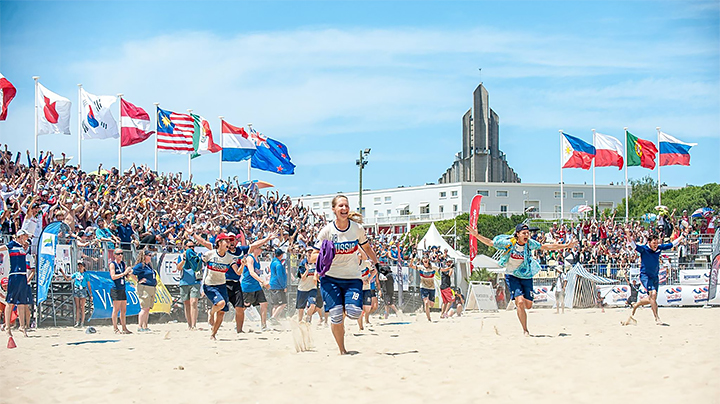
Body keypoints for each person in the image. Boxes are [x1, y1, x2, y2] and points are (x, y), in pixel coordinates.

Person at [467, 223, 577, 335]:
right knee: (519, 302)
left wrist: (566, 246)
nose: (526, 235)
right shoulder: (509, 243)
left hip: (526, 275)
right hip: (512, 275)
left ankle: (523, 304)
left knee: (528, 305)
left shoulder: (529, 243)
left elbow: (546, 247)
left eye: (528, 233)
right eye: (524, 233)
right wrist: (476, 235)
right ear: (517, 234)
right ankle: (525, 330)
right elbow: (490, 243)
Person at [314, 195, 380, 355]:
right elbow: (312, 256)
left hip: (352, 278)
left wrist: (377, 264)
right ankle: (342, 349)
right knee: (336, 316)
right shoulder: (327, 231)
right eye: (340, 206)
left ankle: (342, 306)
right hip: (330, 278)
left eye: (346, 206)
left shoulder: (357, 228)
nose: (344, 208)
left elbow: (367, 248)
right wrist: (325, 254)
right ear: (334, 209)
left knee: (354, 312)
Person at [622, 231, 683, 325]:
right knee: (653, 295)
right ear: (649, 242)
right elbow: (634, 245)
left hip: (655, 276)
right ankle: (657, 318)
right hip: (645, 276)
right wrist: (628, 235)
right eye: (654, 243)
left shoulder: (659, 248)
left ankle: (637, 304)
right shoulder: (644, 249)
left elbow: (672, 244)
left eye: (657, 243)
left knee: (652, 299)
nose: (656, 245)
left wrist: (682, 236)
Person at [201, 233, 239, 340]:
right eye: (226, 241)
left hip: (221, 285)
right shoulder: (210, 254)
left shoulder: (229, 257)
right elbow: (198, 264)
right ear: (219, 243)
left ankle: (213, 334)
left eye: (229, 241)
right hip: (209, 285)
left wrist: (243, 264)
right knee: (221, 304)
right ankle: (211, 312)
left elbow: (238, 272)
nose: (229, 243)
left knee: (222, 313)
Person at [1, 229, 33, 338]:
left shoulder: (23, 248)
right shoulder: (12, 244)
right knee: (10, 301)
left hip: (23, 275)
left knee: (22, 302)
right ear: (20, 236)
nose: (26, 239)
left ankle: (22, 327)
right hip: (14, 274)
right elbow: (3, 248)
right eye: (24, 236)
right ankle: (7, 327)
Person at [241, 244, 270, 331]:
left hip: (256, 286)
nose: (261, 251)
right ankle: (237, 322)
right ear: (255, 249)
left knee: (264, 303)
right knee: (244, 306)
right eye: (260, 249)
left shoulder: (257, 260)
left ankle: (263, 325)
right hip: (248, 286)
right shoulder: (250, 258)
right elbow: (251, 272)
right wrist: (262, 281)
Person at [176, 238, 202, 330]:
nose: (192, 248)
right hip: (184, 281)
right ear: (185, 247)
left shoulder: (196, 256)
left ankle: (194, 325)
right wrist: (183, 260)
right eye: (189, 247)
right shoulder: (181, 256)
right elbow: (178, 268)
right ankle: (189, 324)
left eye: (193, 246)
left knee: (194, 302)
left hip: (195, 281)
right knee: (186, 304)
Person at [132, 249, 157, 332]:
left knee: (148, 308)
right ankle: (139, 326)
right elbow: (131, 273)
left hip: (151, 287)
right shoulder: (140, 266)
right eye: (149, 255)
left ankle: (145, 325)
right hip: (144, 287)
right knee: (144, 307)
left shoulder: (149, 265)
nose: (151, 257)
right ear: (145, 256)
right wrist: (138, 281)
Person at [59, 262, 90, 327]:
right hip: (77, 289)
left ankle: (82, 322)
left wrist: (91, 293)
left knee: (82, 307)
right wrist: (62, 273)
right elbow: (67, 279)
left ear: (84, 267)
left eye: (81, 266)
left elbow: (88, 285)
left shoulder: (86, 275)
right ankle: (77, 321)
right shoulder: (76, 274)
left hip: (83, 290)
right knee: (77, 307)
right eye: (79, 266)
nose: (79, 267)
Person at [109, 247, 132, 334]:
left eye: (122, 253)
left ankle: (124, 327)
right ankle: (115, 328)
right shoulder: (112, 264)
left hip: (122, 288)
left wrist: (128, 273)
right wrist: (123, 273)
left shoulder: (123, 264)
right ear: (115, 255)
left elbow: (126, 276)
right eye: (118, 254)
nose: (121, 255)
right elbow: (113, 276)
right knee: (116, 309)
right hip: (116, 289)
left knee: (123, 309)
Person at [409, 255, 436, 322]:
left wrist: (449, 268)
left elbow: (442, 269)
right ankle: (429, 318)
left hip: (432, 287)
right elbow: (411, 266)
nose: (425, 259)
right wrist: (412, 258)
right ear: (422, 260)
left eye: (426, 258)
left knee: (432, 304)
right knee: (426, 302)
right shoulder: (421, 267)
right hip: (423, 287)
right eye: (424, 258)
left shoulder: (433, 267)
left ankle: (424, 308)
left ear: (428, 260)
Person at [296, 246, 318, 323]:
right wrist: (307, 270)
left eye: (311, 252)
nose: (310, 253)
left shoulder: (316, 262)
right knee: (301, 308)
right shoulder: (303, 263)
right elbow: (303, 278)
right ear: (306, 253)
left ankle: (308, 320)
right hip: (303, 288)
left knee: (312, 305)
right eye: (308, 252)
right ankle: (299, 321)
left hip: (313, 288)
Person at [268, 248, 288, 325]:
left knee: (275, 304)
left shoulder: (273, 262)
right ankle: (273, 317)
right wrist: (284, 286)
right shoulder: (279, 264)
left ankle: (275, 320)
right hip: (278, 286)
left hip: (272, 285)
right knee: (283, 303)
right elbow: (280, 276)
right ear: (281, 255)